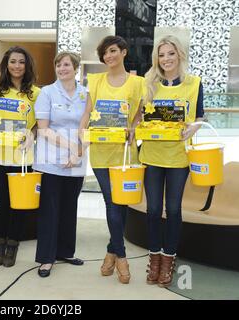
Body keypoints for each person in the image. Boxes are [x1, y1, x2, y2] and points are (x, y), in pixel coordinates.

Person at [79, 35, 145, 284]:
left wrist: (134, 128)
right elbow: (87, 113)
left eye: (113, 51)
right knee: (111, 201)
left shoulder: (137, 83)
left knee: (121, 204)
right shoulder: (94, 81)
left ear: (124, 52)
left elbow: (139, 115)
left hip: (126, 153)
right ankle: (123, 256)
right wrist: (81, 136)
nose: (109, 56)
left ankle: (111, 251)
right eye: (105, 53)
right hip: (100, 152)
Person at [140, 35, 204, 287]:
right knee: (153, 209)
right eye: (161, 54)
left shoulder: (194, 83)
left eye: (170, 54)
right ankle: (154, 258)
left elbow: (199, 116)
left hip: (178, 157)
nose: (166, 59)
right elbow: (139, 118)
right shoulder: (148, 84)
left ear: (180, 55)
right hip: (152, 156)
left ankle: (168, 258)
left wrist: (193, 129)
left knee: (174, 209)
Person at [0, 46, 40, 267]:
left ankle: (13, 245)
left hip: (22, 157)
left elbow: (36, 124)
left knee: (19, 203)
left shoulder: (35, 93)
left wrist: (31, 137)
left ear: (27, 66)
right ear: (6, 65)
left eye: (21, 62)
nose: (17, 66)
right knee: (2, 202)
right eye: (13, 61)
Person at [33, 52, 87, 278]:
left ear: (76, 68)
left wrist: (79, 152)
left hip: (76, 160)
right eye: (58, 64)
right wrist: (71, 147)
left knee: (69, 207)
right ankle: (46, 258)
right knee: (50, 210)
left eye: (66, 64)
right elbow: (43, 128)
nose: (62, 68)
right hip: (50, 159)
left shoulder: (85, 94)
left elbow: (86, 126)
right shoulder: (46, 92)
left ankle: (65, 251)